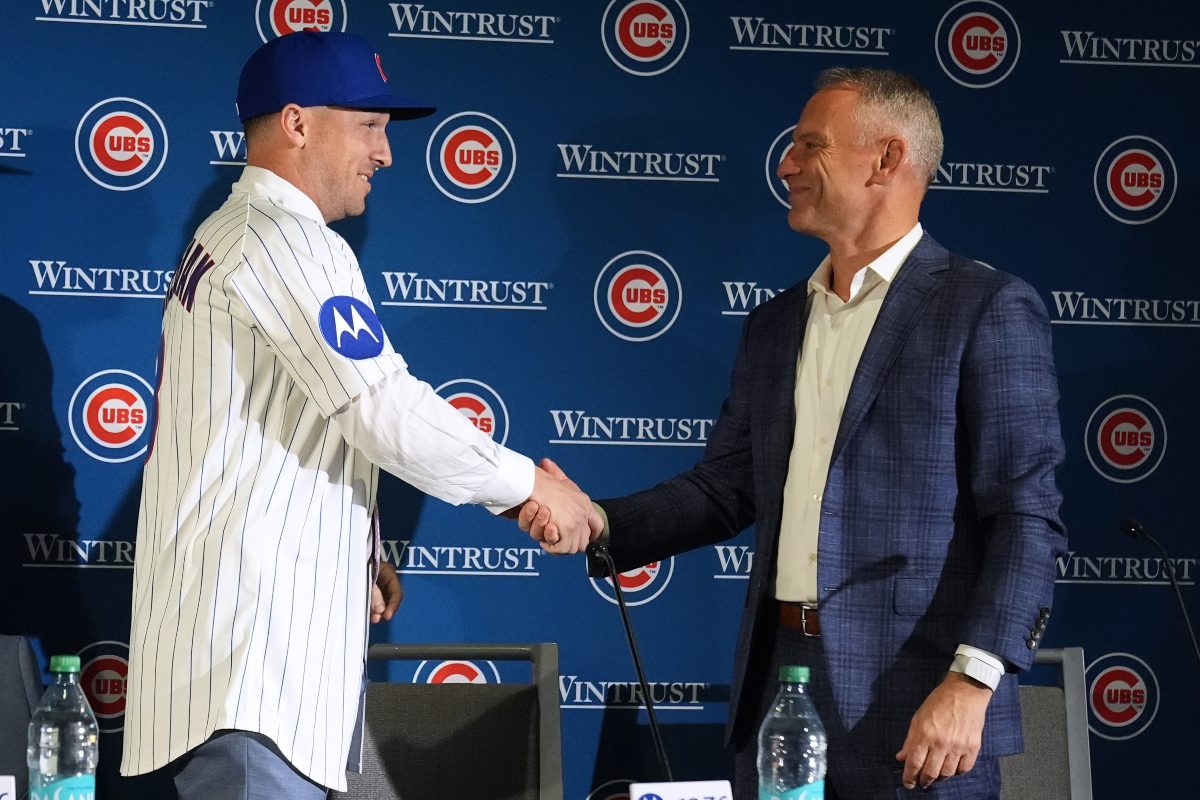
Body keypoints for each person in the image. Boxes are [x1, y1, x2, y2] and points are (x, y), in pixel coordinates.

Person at [524, 67, 1066, 799]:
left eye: (811, 145)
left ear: (887, 158)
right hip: (779, 687)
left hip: (920, 704)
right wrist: (598, 521)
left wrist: (972, 682)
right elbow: (724, 487)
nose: (785, 164)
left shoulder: (984, 307)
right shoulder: (776, 323)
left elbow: (1026, 515)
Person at [120, 31, 598, 799]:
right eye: (369, 125)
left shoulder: (241, 234)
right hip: (255, 670)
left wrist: (357, 551)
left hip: (250, 667)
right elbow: (378, 406)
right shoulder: (282, 238)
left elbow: (290, 420)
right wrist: (527, 488)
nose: (386, 152)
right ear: (298, 123)